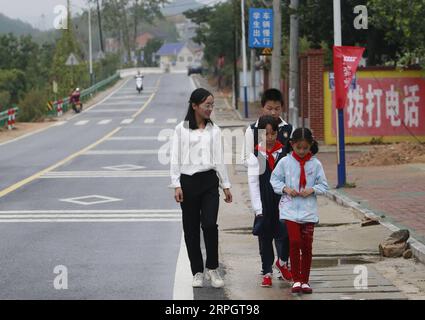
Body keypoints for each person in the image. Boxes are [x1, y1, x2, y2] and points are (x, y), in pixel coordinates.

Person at [170, 88, 233, 288]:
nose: (210, 109)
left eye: (212, 105)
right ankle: (197, 271)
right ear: (194, 105)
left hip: (209, 182)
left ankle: (213, 268)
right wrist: (176, 185)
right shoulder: (181, 129)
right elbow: (175, 158)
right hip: (188, 183)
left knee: (209, 224)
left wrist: (226, 185)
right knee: (190, 229)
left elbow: (219, 159)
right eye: (207, 105)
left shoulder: (214, 130)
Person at [241, 88, 293, 279]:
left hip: (283, 191)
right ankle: (266, 269)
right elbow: (246, 157)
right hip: (263, 188)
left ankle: (284, 262)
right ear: (262, 107)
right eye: (269, 108)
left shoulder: (288, 130)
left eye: (277, 108)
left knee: (285, 229)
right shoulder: (253, 130)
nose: (273, 112)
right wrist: (261, 159)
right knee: (265, 230)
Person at [270, 127, 329, 294]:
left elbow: (324, 185)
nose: (302, 151)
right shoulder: (285, 162)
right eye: (298, 148)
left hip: (308, 211)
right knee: (294, 242)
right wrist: (285, 189)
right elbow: (274, 180)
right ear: (292, 145)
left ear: (311, 145)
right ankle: (296, 279)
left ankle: (305, 280)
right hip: (290, 210)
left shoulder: (316, 164)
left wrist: (312, 189)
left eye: (305, 148)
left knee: (307, 246)